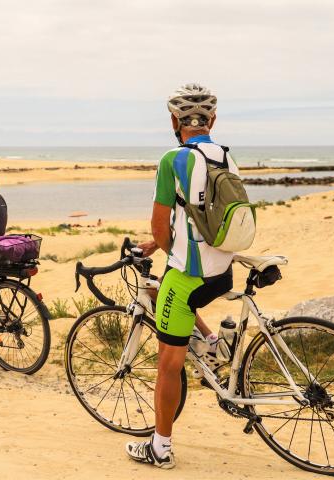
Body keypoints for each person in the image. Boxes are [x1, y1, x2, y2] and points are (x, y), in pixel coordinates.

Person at [126, 84, 239, 468]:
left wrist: (160, 243)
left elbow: (162, 226)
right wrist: (159, 245)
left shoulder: (172, 159)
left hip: (189, 275)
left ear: (175, 121)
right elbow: (202, 213)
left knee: (168, 363)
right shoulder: (225, 156)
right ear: (213, 121)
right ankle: (213, 341)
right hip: (223, 269)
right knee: (187, 301)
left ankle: (160, 448)